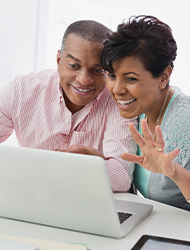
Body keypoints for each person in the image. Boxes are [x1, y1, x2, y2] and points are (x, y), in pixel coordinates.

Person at [0, 20, 137, 192]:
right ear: (59, 60)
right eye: (74, 66)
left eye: (97, 70)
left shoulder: (118, 101)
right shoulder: (20, 90)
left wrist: (86, 163)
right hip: (33, 197)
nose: (84, 80)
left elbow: (122, 177)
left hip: (89, 201)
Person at [101, 15, 190, 211]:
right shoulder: (137, 110)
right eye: (112, 76)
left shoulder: (185, 122)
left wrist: (177, 174)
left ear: (163, 77)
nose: (117, 89)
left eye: (130, 79)